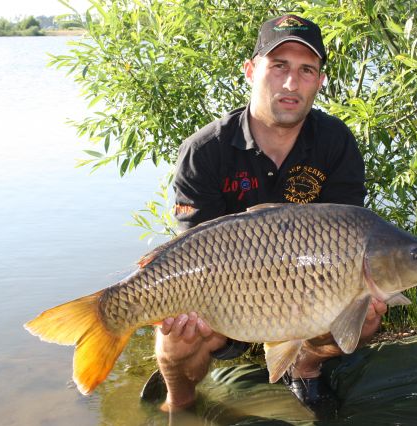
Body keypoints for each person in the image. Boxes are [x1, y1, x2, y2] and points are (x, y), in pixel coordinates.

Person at [143, 14, 388, 415]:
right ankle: (180, 402)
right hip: (224, 301)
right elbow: (193, 249)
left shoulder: (335, 142)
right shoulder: (205, 151)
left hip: (308, 295)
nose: (291, 83)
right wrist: (185, 306)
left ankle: (304, 369)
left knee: (364, 316)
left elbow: (349, 238)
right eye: (279, 66)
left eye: (306, 70)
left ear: (320, 81)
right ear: (251, 70)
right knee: (177, 338)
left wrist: (361, 290)